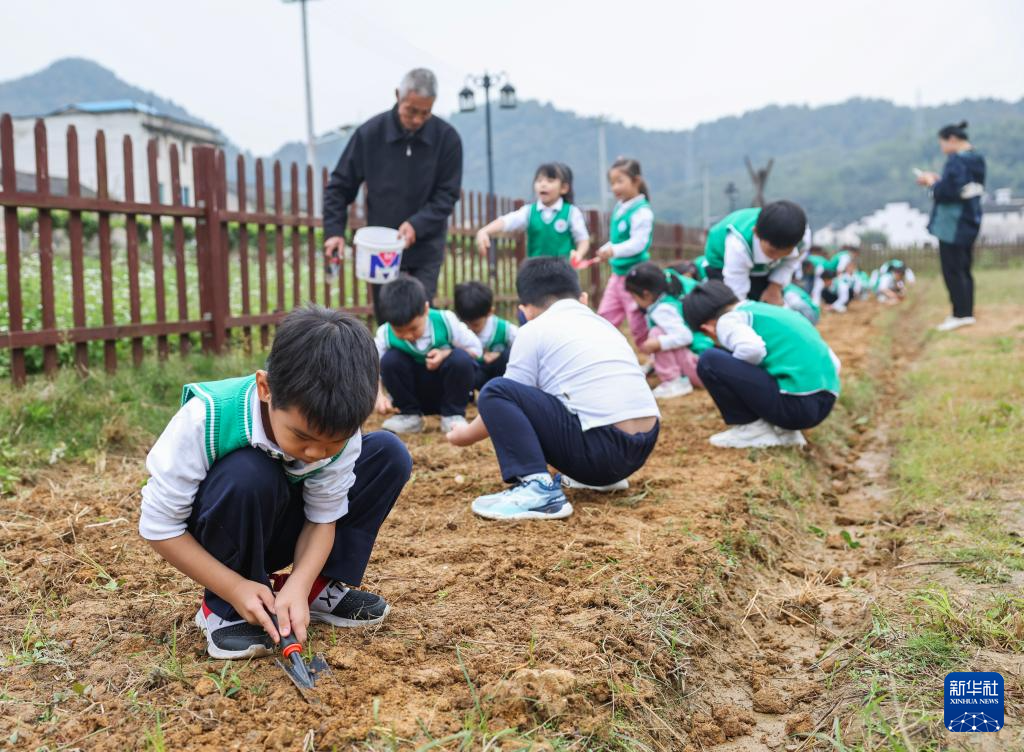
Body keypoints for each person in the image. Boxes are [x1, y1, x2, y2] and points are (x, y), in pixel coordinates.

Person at [140, 305, 412, 659]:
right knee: (250, 474)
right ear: (265, 388)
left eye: (333, 442)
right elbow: (159, 527)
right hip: (223, 532)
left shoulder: (340, 436)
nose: (316, 453)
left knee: (388, 454)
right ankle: (223, 609)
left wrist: (299, 584)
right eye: (302, 436)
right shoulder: (205, 418)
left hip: (287, 526)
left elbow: (322, 518)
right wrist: (234, 587)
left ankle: (316, 590)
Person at [446, 257, 660, 520]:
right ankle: (599, 479)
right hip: (641, 447)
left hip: (602, 450)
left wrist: (464, 435)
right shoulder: (604, 325)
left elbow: (505, 400)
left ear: (524, 310)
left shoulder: (534, 330)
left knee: (497, 391)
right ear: (581, 298)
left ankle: (538, 490)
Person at [322, 68, 463, 320]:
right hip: (381, 247)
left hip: (426, 244)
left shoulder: (447, 139)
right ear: (398, 95)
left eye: (425, 112)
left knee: (419, 314)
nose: (418, 119)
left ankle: (421, 359)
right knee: (389, 317)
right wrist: (334, 232)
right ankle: (386, 360)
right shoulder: (370, 134)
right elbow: (339, 186)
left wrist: (417, 224)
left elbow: (447, 194)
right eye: (411, 110)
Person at [683, 281, 841, 449]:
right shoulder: (774, 312)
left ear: (707, 328)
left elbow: (753, 350)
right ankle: (786, 432)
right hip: (825, 402)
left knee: (710, 360)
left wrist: (738, 371)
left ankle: (752, 431)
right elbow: (835, 363)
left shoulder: (728, 320)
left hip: (795, 407)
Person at [374, 277, 482, 435]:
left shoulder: (445, 321)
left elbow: (476, 349)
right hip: (412, 393)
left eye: (413, 328)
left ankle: (453, 416)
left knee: (460, 358)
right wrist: (378, 396)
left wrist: (446, 353)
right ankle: (409, 416)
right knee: (390, 360)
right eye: (400, 331)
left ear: (425, 309)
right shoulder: (385, 333)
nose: (408, 335)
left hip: (445, 391)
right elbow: (371, 366)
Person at [916, 121, 986, 332]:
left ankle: (960, 314)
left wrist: (931, 183)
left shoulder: (957, 160)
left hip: (953, 224)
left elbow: (948, 191)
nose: (942, 148)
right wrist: (942, 182)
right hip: (970, 219)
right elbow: (963, 187)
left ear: (952, 140)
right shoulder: (977, 159)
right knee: (964, 268)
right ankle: (966, 311)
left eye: (942, 143)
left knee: (952, 269)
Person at [624, 262, 710, 400]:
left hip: (699, 367)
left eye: (634, 297)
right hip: (702, 364)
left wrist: (658, 344)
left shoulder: (662, 310)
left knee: (656, 334)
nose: (634, 301)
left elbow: (685, 336)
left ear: (646, 295)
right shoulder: (668, 300)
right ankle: (662, 371)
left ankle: (673, 381)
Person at [592, 158, 655, 346]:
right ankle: (600, 352)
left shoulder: (642, 212)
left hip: (635, 278)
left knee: (638, 324)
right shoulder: (620, 208)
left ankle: (655, 359)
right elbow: (619, 240)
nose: (614, 187)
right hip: (617, 275)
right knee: (605, 317)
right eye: (612, 183)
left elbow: (639, 243)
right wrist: (606, 249)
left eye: (620, 181)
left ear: (636, 181)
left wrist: (614, 250)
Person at [475, 163, 590, 263]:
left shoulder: (572, 212)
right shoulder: (529, 211)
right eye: (539, 180)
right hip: (536, 273)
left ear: (564, 188)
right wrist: (485, 231)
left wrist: (579, 254)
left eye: (550, 181)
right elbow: (507, 221)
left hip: (564, 273)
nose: (543, 184)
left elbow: (583, 239)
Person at [703, 202, 810, 304]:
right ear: (756, 233)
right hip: (720, 263)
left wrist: (775, 286)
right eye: (772, 251)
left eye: (786, 252)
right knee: (726, 301)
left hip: (759, 266)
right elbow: (736, 291)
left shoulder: (802, 238)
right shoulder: (739, 245)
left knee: (767, 300)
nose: (777, 258)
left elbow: (790, 262)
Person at [453, 280, 519, 389]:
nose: (469, 329)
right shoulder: (456, 329)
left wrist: (500, 354)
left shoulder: (504, 329)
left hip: (497, 374)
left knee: (509, 354)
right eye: (465, 323)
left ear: (490, 312)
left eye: (475, 324)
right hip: (474, 374)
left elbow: (524, 345)